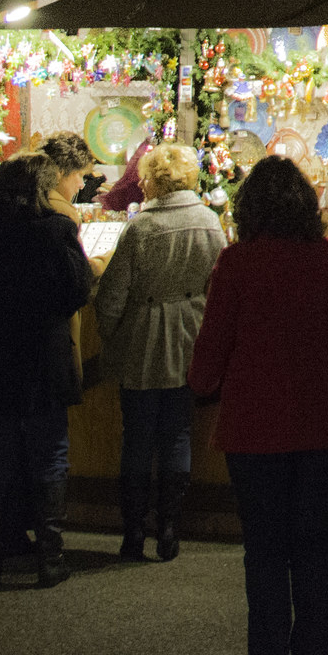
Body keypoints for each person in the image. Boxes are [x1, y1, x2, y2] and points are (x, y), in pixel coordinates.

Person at [191, 154, 328, 655]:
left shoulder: (236, 263)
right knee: (314, 544)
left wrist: (202, 385)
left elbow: (210, 354)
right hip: (324, 422)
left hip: (254, 426)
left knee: (266, 546)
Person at [0, 153, 95, 589]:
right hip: (41, 358)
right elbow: (78, 289)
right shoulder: (56, 230)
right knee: (49, 454)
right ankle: (50, 558)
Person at [94, 139, 224, 562]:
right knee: (178, 434)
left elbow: (112, 294)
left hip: (143, 339)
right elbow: (217, 285)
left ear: (152, 182)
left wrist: (110, 335)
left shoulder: (140, 227)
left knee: (137, 438)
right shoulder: (209, 221)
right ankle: (169, 527)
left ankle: (133, 532)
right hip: (189, 334)